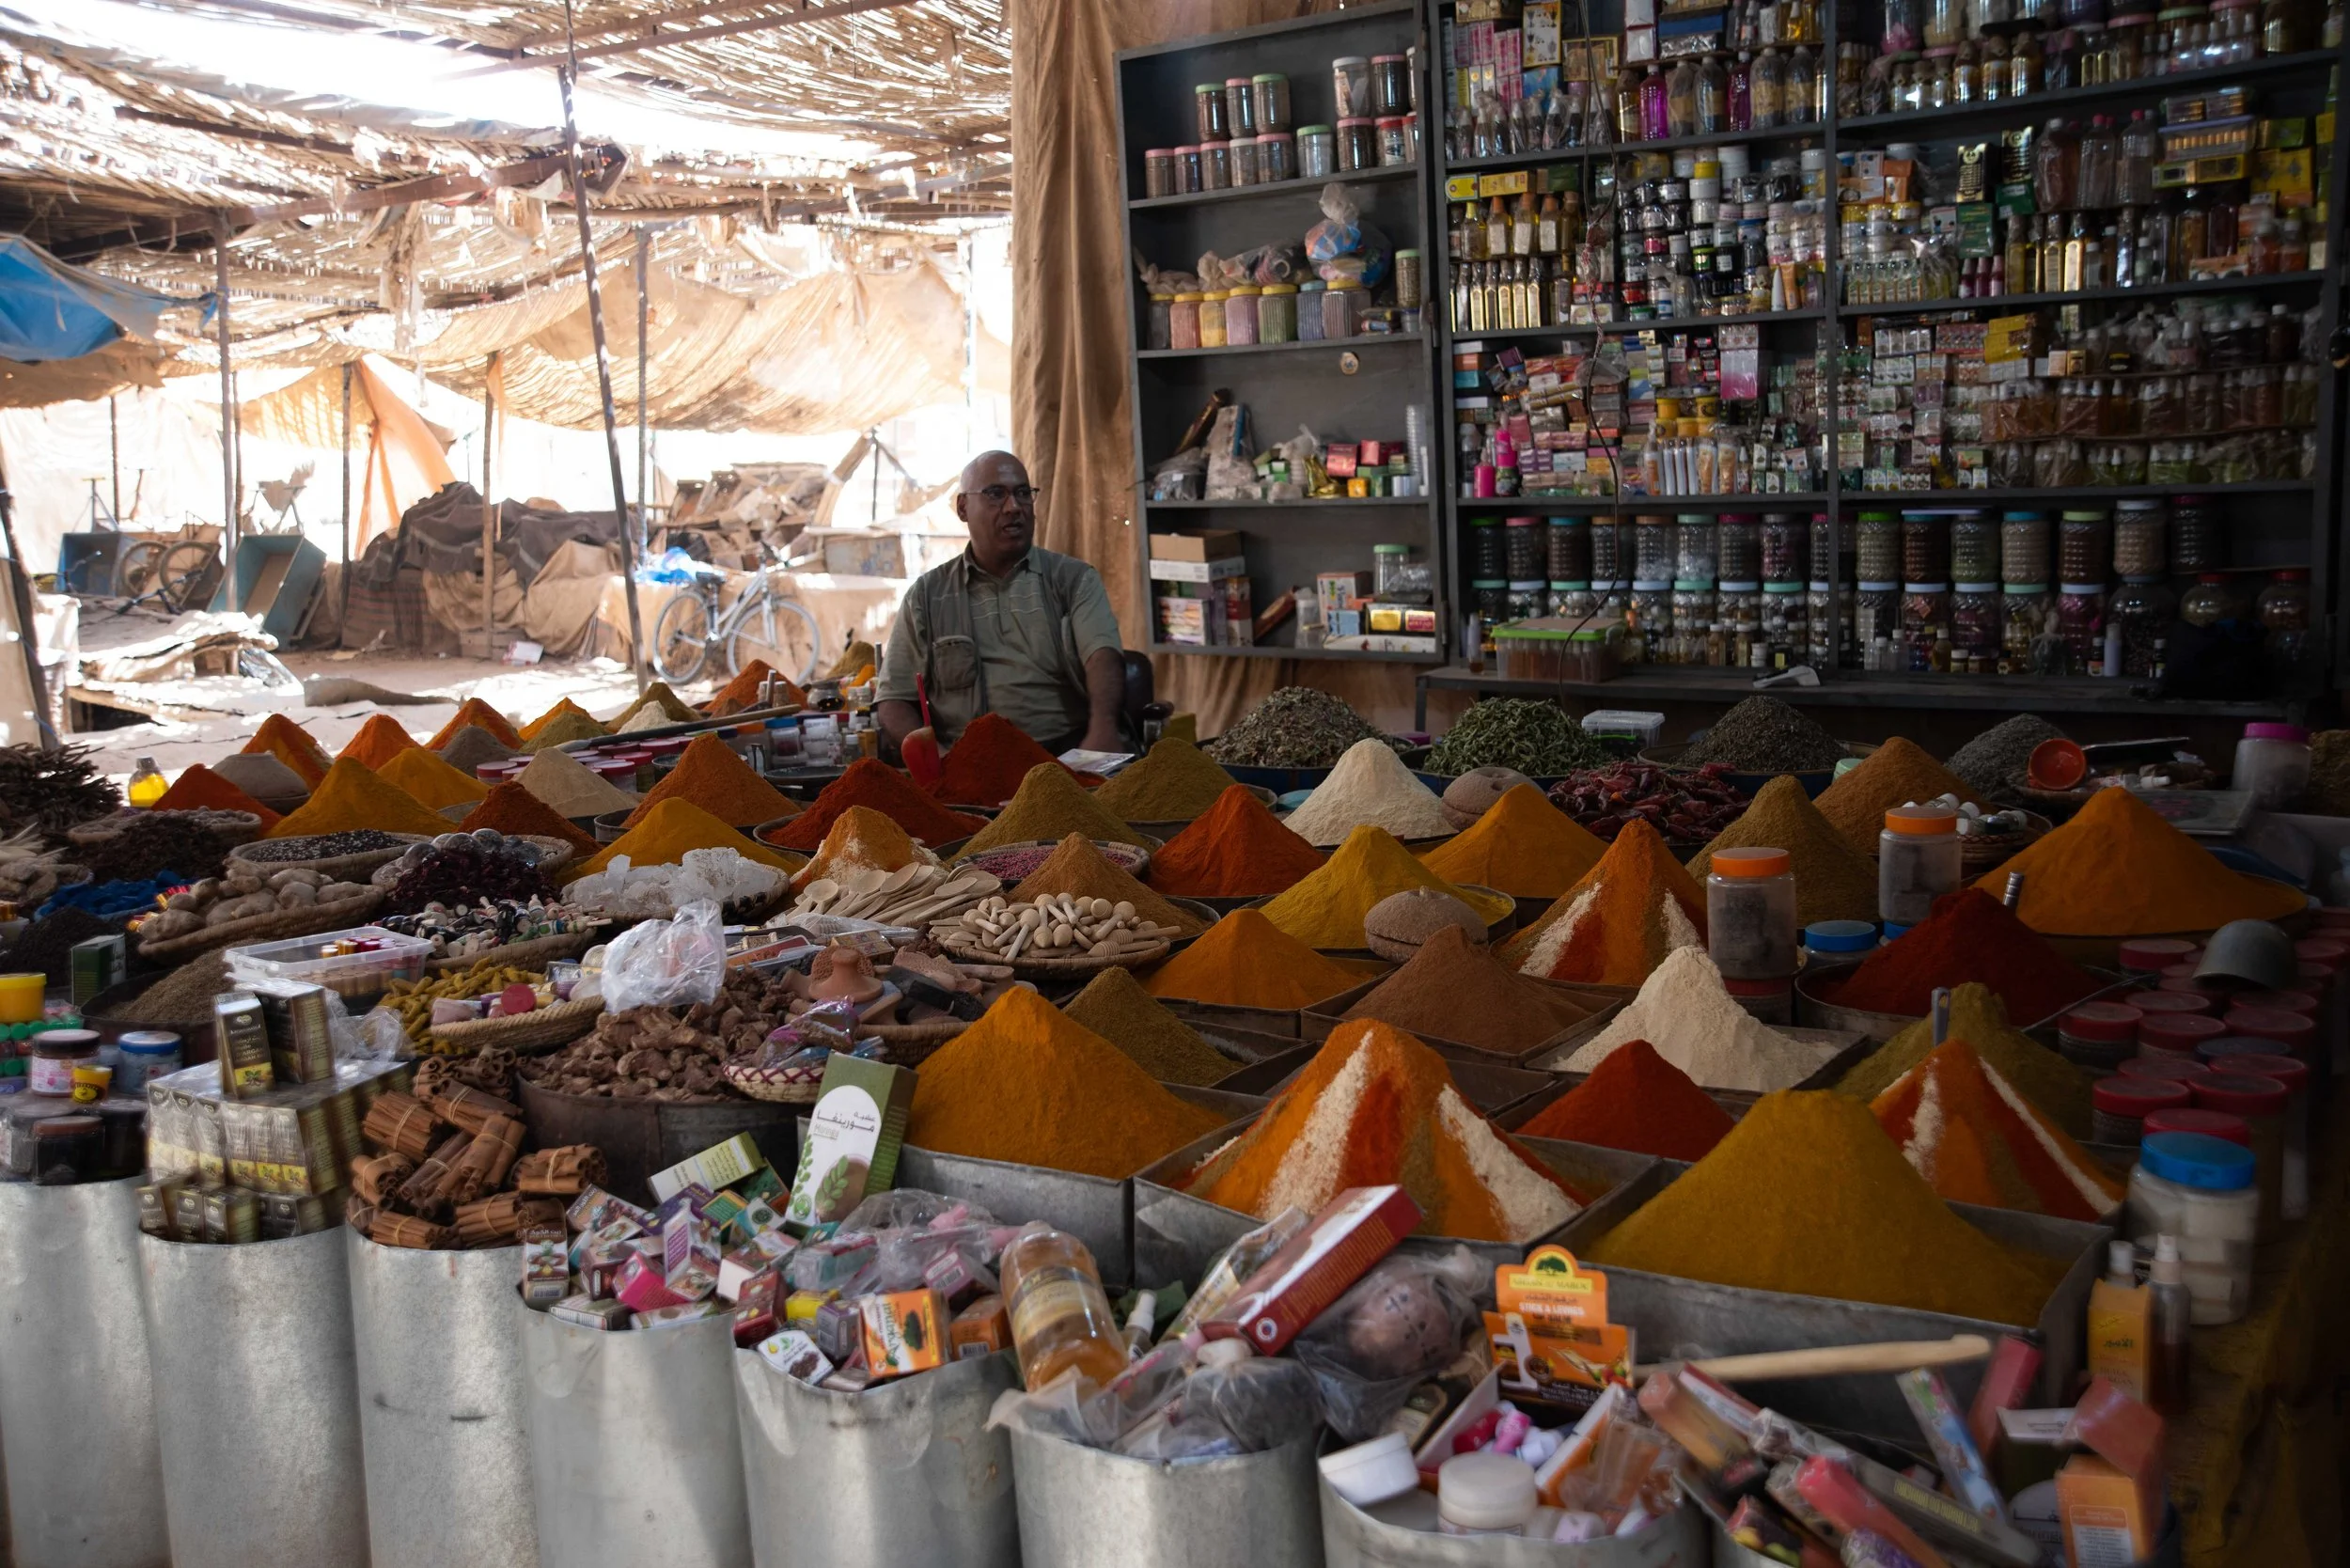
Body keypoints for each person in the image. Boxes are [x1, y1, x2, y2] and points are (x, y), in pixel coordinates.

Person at [878, 451, 1127, 756]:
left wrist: (1103, 728)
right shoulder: (927, 596)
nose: (1014, 507)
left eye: (1023, 493)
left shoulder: (1072, 580)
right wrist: (938, 761)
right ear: (963, 508)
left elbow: (1102, 655)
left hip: (1061, 757)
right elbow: (893, 699)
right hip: (965, 760)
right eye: (996, 494)